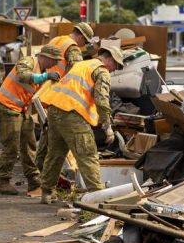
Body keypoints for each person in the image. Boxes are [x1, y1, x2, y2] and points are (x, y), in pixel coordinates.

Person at [38, 46, 123, 204]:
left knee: (55, 153)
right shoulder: (101, 71)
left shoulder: (82, 64)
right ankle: (97, 195)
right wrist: (107, 125)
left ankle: (47, 192)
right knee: (87, 153)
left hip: (54, 110)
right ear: (109, 59)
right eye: (115, 66)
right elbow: (101, 99)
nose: (113, 70)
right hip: (71, 114)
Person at [0, 44, 63, 195]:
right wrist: (45, 77)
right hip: (7, 108)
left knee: (29, 145)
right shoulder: (29, 61)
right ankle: (4, 182)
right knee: (11, 147)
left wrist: (45, 119)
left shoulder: (43, 72)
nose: (56, 64)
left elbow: (37, 99)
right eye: (54, 60)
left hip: (21, 110)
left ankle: (34, 181)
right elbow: (22, 76)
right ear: (44, 57)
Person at [34, 22, 94, 172]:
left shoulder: (57, 40)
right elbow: (78, 72)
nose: (83, 45)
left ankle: (38, 170)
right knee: (57, 136)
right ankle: (45, 172)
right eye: (85, 41)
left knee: (47, 133)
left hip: (46, 91)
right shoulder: (72, 48)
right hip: (61, 97)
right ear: (80, 35)